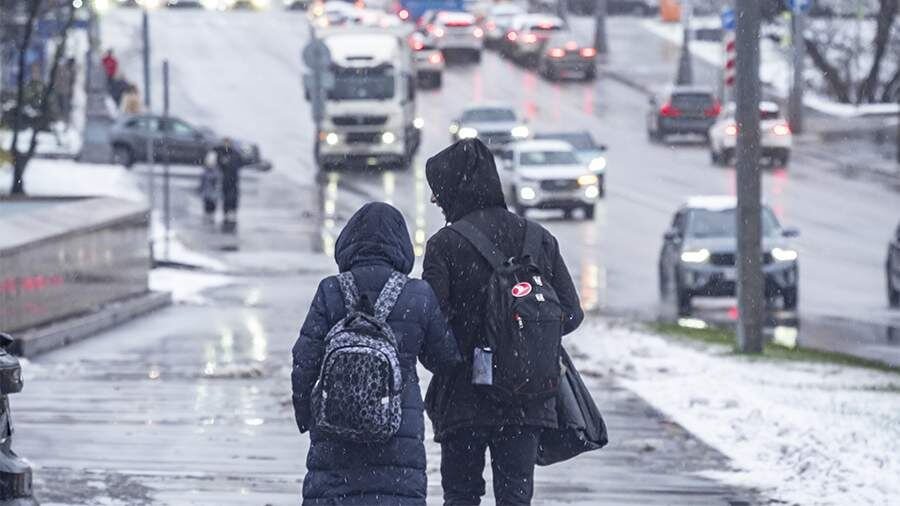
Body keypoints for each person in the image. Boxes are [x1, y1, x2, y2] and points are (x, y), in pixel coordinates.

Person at [422, 138, 584, 506]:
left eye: (438, 193)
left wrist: (453, 360)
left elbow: (430, 323)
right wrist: (525, 341)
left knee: (461, 495)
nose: (438, 201)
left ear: (454, 189)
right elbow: (571, 313)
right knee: (515, 495)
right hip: (527, 398)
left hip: (464, 396)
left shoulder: (444, 245)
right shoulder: (538, 238)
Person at [291, 202, 461, 506]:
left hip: (334, 432)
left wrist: (307, 415)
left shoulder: (331, 290)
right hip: (397, 435)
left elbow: (304, 360)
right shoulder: (417, 294)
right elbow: (444, 359)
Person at [209, 138, 243, 233]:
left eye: (228, 143)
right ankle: (225, 214)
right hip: (223, 180)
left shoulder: (234, 154)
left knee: (231, 198)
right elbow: (212, 163)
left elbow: (239, 163)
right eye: (225, 143)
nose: (226, 145)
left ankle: (230, 213)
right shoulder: (219, 152)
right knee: (223, 198)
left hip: (232, 180)